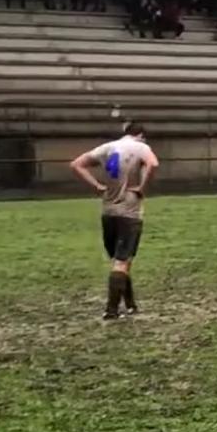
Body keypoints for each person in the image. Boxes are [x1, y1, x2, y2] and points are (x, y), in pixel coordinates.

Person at [68, 123, 160, 320]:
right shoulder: (141, 147)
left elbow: (76, 164)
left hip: (108, 210)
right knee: (122, 262)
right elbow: (153, 164)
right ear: (141, 135)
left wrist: (98, 187)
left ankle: (130, 305)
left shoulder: (107, 147)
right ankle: (111, 310)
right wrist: (143, 187)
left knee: (121, 260)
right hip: (130, 211)